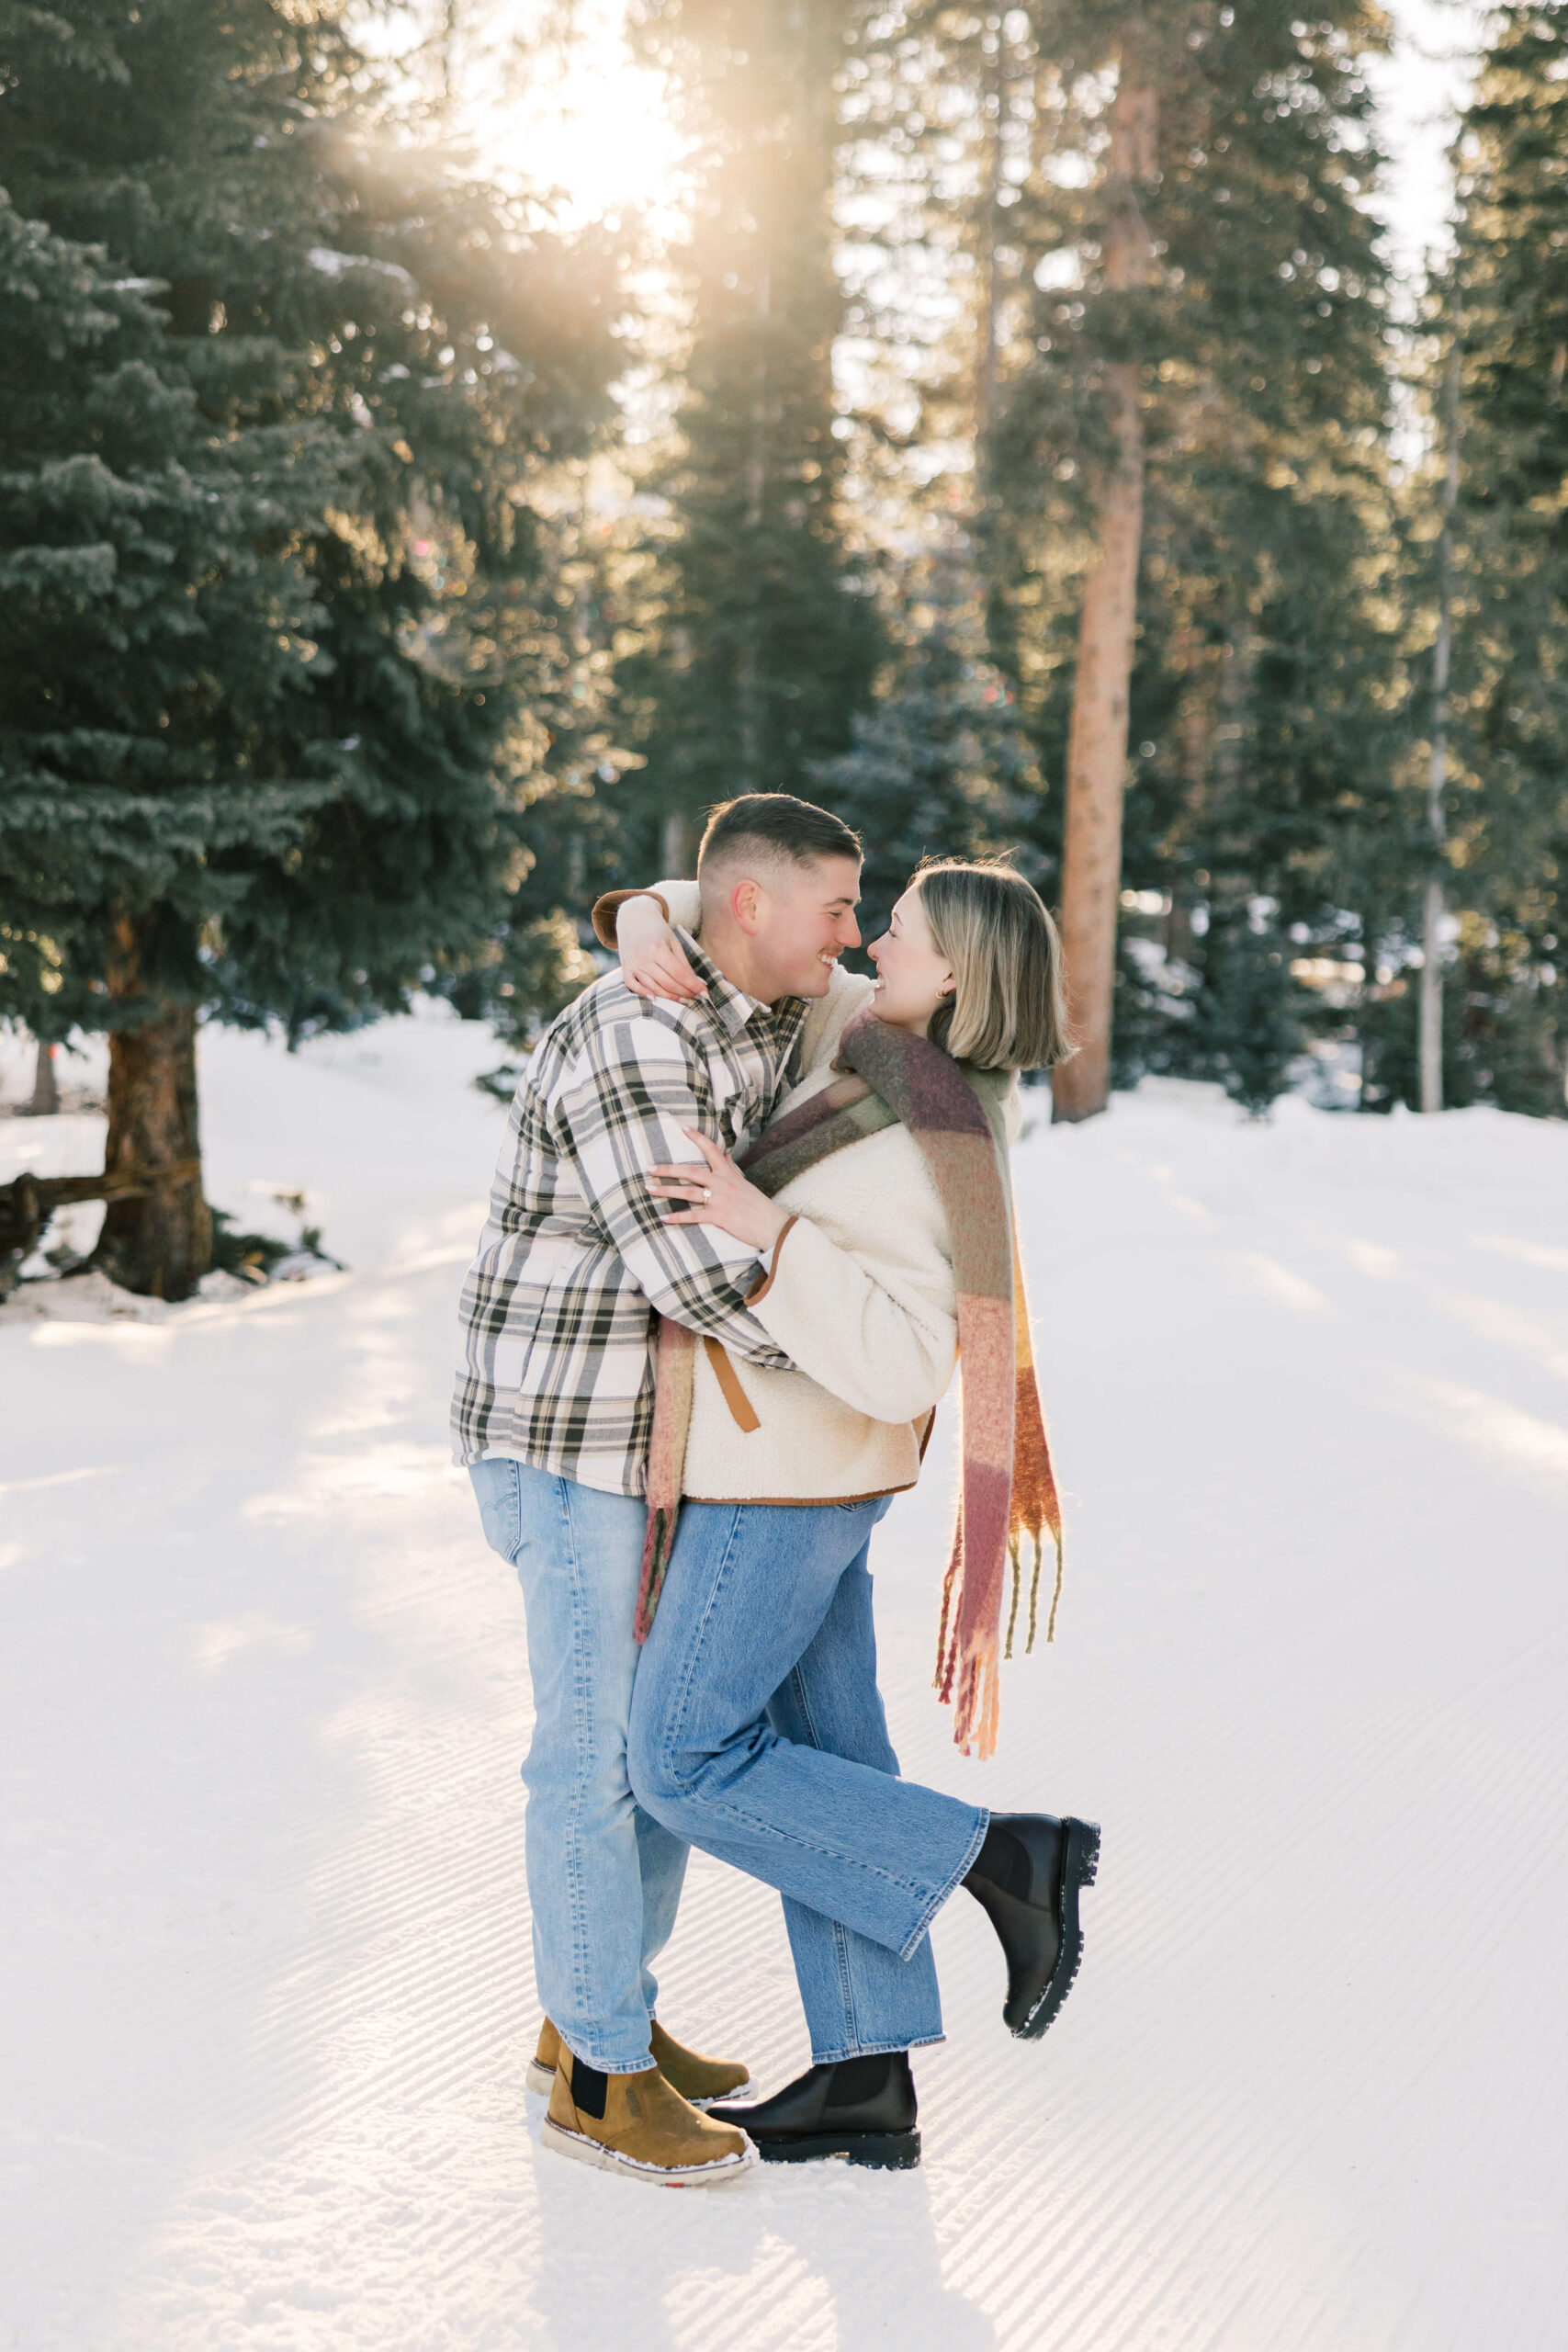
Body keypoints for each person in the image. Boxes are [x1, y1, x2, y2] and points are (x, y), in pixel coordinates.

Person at [601, 860, 1100, 2169]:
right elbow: (703, 896)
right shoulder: (870, 1046)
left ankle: (1000, 1858)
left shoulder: (943, 1137)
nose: (874, 937)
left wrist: (767, 1228)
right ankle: (866, 2073)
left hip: (791, 1482)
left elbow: (898, 1361)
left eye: (903, 932)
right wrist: (651, 923)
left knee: (682, 1756)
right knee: (830, 1762)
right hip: (800, 1471)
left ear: (955, 979)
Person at [453, 792, 885, 2187]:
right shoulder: (641, 1035)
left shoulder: (747, 998)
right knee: (592, 1756)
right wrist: (876, 1354)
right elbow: (693, 1268)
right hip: (570, 1443)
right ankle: (597, 2074)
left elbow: (732, 909)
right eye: (836, 910)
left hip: (655, 1448)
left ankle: (596, 2014)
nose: (856, 936)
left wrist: (650, 902)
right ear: (752, 911)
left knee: (644, 1747)